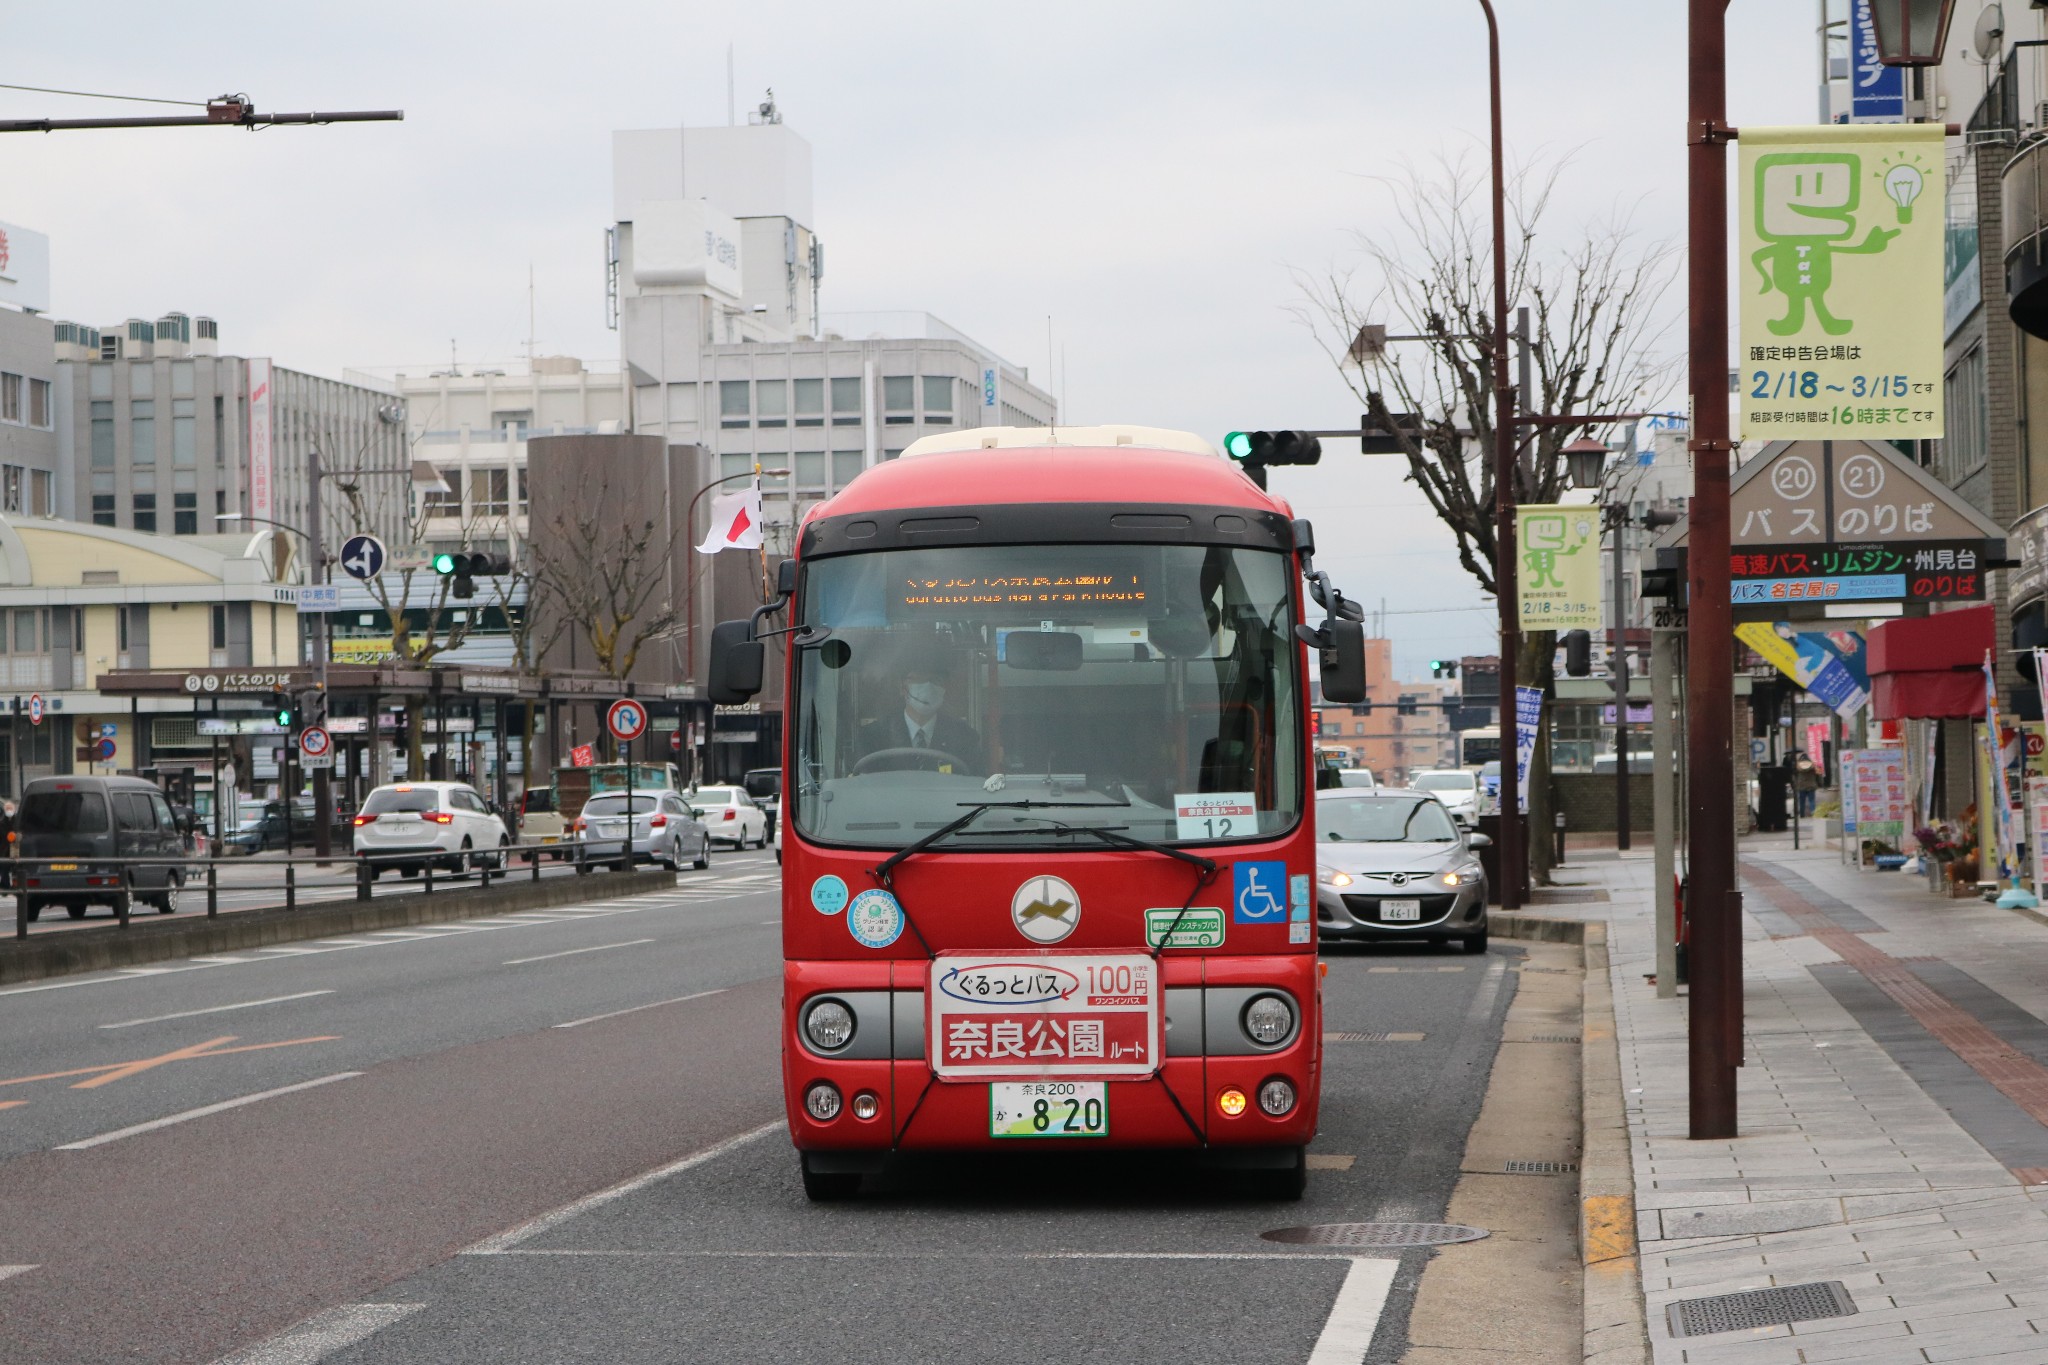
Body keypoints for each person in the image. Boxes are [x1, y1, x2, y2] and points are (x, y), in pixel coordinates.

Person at [855, 653, 987, 775]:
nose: (928, 686)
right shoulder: (873, 737)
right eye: (919, 679)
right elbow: (865, 789)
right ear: (902, 687)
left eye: (936, 680)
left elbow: (974, 787)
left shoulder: (965, 737)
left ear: (945, 689)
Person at [1794, 752, 1821, 817]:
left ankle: (1802, 815)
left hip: (1801, 786)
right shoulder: (1812, 766)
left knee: (1801, 802)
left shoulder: (1798, 767)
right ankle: (1814, 814)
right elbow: (1818, 774)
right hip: (1811, 786)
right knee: (1812, 801)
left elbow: (1795, 775)